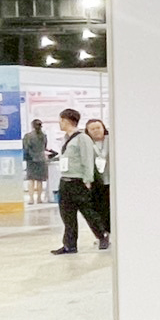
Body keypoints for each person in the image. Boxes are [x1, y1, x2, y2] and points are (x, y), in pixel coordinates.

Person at [51, 108, 109, 254]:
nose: (59, 123)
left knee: (88, 212)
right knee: (67, 214)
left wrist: (88, 180)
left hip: (78, 181)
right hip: (65, 180)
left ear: (67, 120)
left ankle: (102, 235)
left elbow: (87, 160)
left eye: (61, 120)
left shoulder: (82, 138)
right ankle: (69, 245)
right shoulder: (66, 138)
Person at [86, 119, 111, 233]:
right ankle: (103, 233)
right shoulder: (87, 143)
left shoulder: (111, 140)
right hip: (96, 181)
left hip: (111, 180)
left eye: (98, 128)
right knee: (98, 208)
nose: (96, 131)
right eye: (92, 129)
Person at [22, 118, 49, 205]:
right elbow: (44, 147)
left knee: (31, 180)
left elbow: (25, 147)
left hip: (31, 159)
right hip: (41, 159)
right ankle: (39, 198)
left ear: (32, 126)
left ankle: (31, 199)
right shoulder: (44, 136)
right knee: (39, 180)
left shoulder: (28, 136)